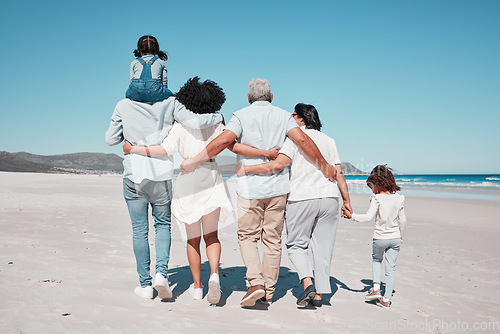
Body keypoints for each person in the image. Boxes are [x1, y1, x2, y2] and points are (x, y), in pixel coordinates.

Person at [180, 78, 338, 307]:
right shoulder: (284, 116)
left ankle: (255, 283)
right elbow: (302, 139)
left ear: (248, 98)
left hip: (250, 188)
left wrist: (195, 160)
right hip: (278, 188)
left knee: (247, 237)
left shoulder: (241, 115)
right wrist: (324, 165)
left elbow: (225, 140)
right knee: (272, 241)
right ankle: (269, 292)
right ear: (271, 97)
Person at [122, 77, 233, 305]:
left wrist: (134, 148)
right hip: (211, 176)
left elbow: (164, 150)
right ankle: (213, 275)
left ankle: (198, 287)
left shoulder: (180, 126)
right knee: (212, 236)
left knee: (193, 239)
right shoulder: (218, 125)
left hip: (188, 181)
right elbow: (229, 143)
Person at [237, 103, 352, 307]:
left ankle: (307, 283)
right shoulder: (330, 140)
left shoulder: (294, 137)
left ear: (301, 119)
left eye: (293, 115)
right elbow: (339, 173)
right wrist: (346, 201)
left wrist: (247, 169)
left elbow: (278, 165)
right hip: (330, 198)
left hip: (302, 197)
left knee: (296, 245)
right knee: (323, 249)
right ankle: (319, 295)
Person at [344, 165, 407, 309]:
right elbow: (403, 220)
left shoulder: (376, 198)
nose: (371, 189)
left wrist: (351, 216)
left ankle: (376, 289)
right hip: (395, 238)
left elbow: (367, 217)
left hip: (380, 238)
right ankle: (386, 300)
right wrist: (401, 237)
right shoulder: (399, 198)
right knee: (391, 268)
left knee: (376, 260)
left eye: (371, 186)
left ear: (378, 183)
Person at [125, 35, 173, 103]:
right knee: (171, 96)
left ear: (139, 50)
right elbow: (164, 83)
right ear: (156, 50)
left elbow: (131, 81)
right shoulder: (161, 62)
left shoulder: (134, 62)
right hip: (155, 91)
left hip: (136, 91)